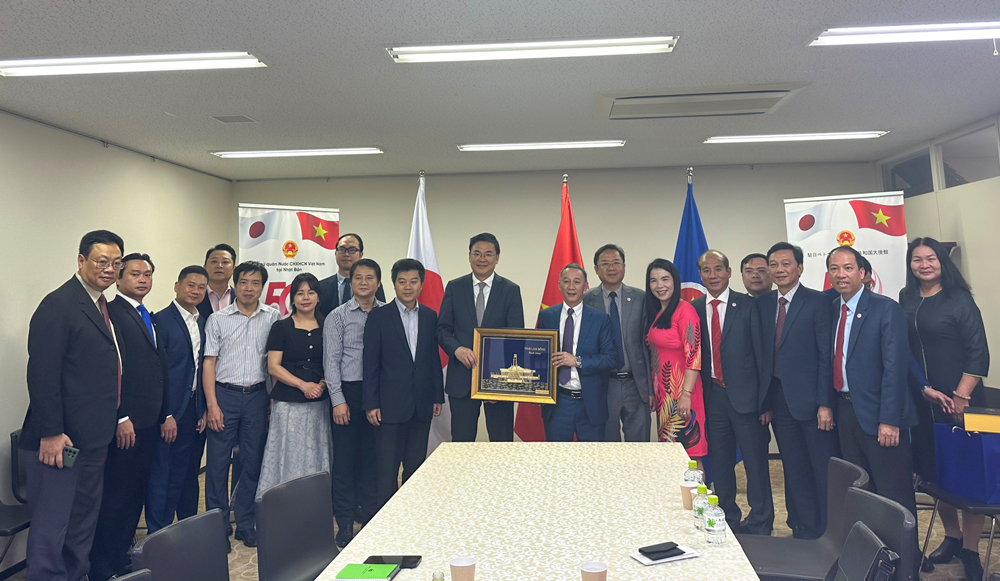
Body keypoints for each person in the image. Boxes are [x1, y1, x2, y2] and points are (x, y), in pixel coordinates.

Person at [21, 230, 124, 581]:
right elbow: (42, 375)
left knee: (82, 519)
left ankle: (76, 575)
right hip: (62, 441)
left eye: (116, 263)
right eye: (101, 261)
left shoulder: (101, 304)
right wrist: (51, 432)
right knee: (54, 524)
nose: (109, 269)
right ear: (81, 261)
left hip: (93, 437)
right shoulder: (59, 305)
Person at [901, 237, 990, 579]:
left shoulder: (959, 299)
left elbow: (978, 351)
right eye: (917, 259)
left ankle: (970, 549)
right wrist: (923, 389)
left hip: (962, 403)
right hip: (923, 403)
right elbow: (904, 347)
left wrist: (962, 398)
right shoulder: (905, 298)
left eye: (931, 258)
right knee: (936, 475)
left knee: (968, 477)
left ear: (942, 262)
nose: (924, 264)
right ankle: (951, 537)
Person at [827, 246, 918, 522]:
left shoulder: (885, 308)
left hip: (881, 416)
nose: (841, 274)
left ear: (863, 273)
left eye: (848, 268)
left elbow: (895, 368)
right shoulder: (832, 309)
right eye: (834, 268)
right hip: (846, 412)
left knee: (894, 494)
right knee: (861, 491)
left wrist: (889, 420)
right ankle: (874, 559)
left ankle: (907, 562)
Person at [90, 254, 167, 580]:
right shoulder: (112, 313)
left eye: (148, 274)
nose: (143, 279)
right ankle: (101, 565)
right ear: (119, 278)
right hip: (127, 424)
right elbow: (110, 371)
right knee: (115, 498)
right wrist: (121, 416)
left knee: (136, 493)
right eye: (135, 273)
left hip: (148, 422)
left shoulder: (144, 313)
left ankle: (121, 558)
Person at [758, 242, 836, 540]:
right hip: (779, 401)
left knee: (820, 468)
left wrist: (824, 403)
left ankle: (826, 530)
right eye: (774, 264)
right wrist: (764, 402)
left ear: (800, 268)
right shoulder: (765, 304)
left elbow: (824, 357)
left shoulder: (817, 303)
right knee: (793, 468)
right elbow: (763, 357)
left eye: (786, 264)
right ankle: (802, 528)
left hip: (813, 403)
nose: (779, 270)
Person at [692, 250, 773, 536]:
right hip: (712, 398)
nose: (712, 275)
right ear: (700, 275)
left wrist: (765, 402)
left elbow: (764, 359)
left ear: (728, 272)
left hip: (748, 400)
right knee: (721, 461)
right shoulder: (695, 308)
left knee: (755, 464)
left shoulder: (749, 306)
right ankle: (727, 516)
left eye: (718, 269)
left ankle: (762, 521)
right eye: (706, 270)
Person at [203, 261, 280, 548]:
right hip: (225, 395)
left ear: (263, 286)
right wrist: (212, 405)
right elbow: (209, 364)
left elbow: (275, 363)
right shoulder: (218, 319)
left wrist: (272, 399)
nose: (249, 288)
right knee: (218, 465)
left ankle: (245, 522)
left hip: (258, 397)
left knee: (251, 462)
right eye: (244, 282)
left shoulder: (274, 317)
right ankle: (217, 526)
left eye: (256, 283)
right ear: (236, 285)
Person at [363, 259, 444, 508]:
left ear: (421, 284)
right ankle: (384, 524)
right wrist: (371, 403)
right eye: (402, 281)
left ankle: (411, 517)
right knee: (387, 470)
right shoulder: (378, 316)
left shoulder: (430, 316)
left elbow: (432, 359)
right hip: (388, 406)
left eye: (413, 281)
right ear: (394, 284)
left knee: (415, 466)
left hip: (421, 405)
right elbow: (370, 363)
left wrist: (437, 396)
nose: (407, 287)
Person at [437, 233, 525, 442]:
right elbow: (442, 329)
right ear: (469, 256)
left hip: (498, 383)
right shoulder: (454, 287)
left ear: (497, 257)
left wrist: (496, 382)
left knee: (501, 443)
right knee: (462, 443)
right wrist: (457, 349)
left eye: (488, 254)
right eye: (477, 253)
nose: (482, 259)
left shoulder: (511, 290)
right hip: (462, 379)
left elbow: (515, 337)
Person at [146, 266, 209, 534]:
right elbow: (157, 374)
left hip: (194, 409)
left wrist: (204, 409)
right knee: (163, 475)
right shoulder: (160, 320)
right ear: (176, 286)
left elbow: (203, 367)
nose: (195, 291)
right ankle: (157, 533)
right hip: (171, 413)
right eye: (190, 285)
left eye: (201, 287)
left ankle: (185, 531)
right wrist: (166, 414)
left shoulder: (203, 322)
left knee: (186, 475)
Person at [257, 273, 331, 497]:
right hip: (288, 404)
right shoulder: (281, 327)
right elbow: (273, 366)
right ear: (292, 298)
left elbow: (334, 360)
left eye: (310, 292)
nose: (305, 298)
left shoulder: (328, 324)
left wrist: (322, 384)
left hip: (319, 402)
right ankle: (283, 502)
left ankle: (313, 503)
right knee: (287, 453)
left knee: (316, 452)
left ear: (318, 297)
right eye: (300, 293)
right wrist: (303, 385)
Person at [326, 259, 383, 547]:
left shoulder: (388, 314)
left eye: (369, 277)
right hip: (348, 393)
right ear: (351, 283)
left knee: (373, 460)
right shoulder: (337, 316)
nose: (363, 282)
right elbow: (331, 361)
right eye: (358, 277)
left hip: (379, 396)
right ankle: (345, 522)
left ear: (379, 282)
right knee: (345, 461)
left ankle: (370, 516)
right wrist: (337, 400)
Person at [538, 264, 621, 442]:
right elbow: (538, 356)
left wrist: (577, 361)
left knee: (590, 463)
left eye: (577, 282)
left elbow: (611, 358)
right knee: (558, 461)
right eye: (566, 282)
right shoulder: (547, 316)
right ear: (559, 285)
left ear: (585, 286)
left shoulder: (600, 319)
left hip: (590, 404)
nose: (571, 287)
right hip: (558, 403)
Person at [187, 243, 237, 522]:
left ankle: (238, 512)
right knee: (208, 461)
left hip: (236, 388)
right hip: (200, 390)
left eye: (226, 261)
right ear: (206, 265)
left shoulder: (241, 297)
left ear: (233, 268)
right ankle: (206, 520)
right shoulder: (194, 299)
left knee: (241, 457)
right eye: (214, 261)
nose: (220, 265)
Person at [583, 244, 653, 442]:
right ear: (596, 269)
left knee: (639, 449)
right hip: (603, 385)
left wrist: (650, 388)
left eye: (616, 263)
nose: (611, 268)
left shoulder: (641, 298)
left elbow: (648, 347)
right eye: (605, 264)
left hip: (635, 385)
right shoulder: (586, 300)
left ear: (624, 266)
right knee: (607, 450)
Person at [644, 259, 707, 460]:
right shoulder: (658, 313)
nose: (659, 286)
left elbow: (694, 356)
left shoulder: (685, 311)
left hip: (684, 396)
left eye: (665, 279)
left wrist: (686, 395)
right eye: (653, 281)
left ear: (675, 281)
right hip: (665, 398)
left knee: (690, 456)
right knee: (673, 457)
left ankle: (697, 493)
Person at [318, 233, 386, 317]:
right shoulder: (321, 286)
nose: (346, 254)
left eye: (352, 250)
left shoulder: (371, 284)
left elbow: (381, 313)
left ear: (361, 255)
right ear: (335, 254)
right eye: (342, 249)